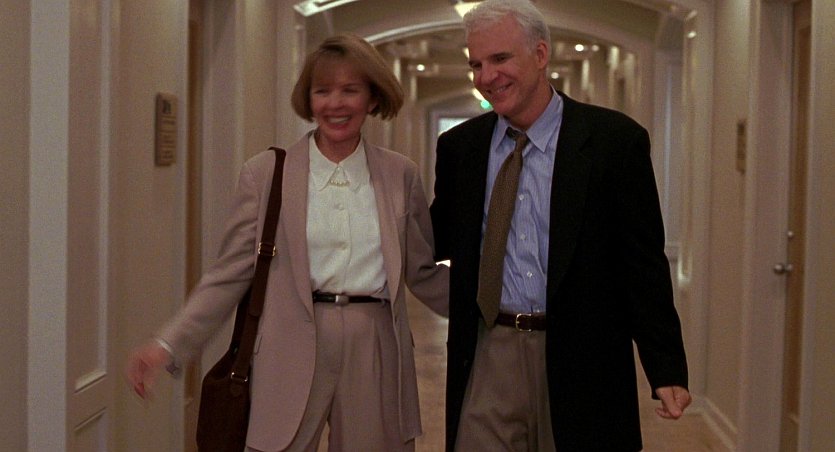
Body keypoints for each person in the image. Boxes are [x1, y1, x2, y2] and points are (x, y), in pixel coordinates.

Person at [126, 33, 448, 452]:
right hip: (290, 343)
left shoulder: (400, 174)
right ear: (308, 100)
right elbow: (228, 276)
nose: (335, 104)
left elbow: (422, 272)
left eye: (350, 90)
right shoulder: (265, 174)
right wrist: (168, 344)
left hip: (376, 344)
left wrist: (491, 312)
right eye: (322, 91)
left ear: (372, 98)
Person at [429, 0, 691, 450]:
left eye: (500, 59)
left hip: (583, 357)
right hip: (491, 353)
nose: (487, 76)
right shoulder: (461, 148)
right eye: (476, 64)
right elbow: (434, 238)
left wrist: (665, 366)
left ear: (541, 54)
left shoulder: (613, 143)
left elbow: (642, 264)